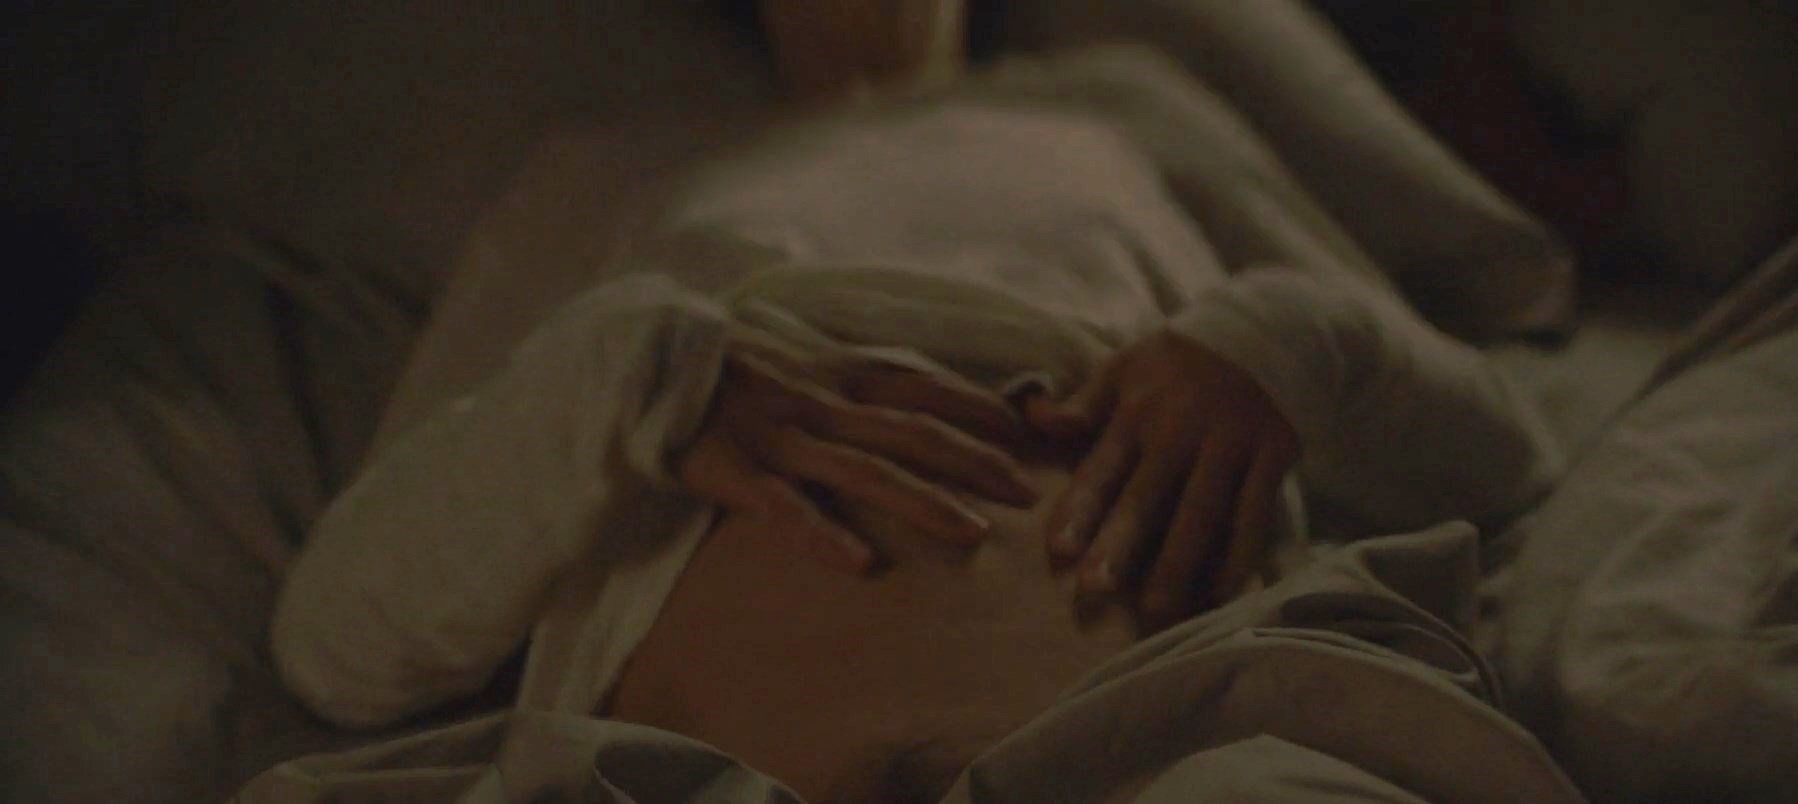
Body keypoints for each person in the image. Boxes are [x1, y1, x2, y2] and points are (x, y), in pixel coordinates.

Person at [250, 33, 1574, 804]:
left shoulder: (1116, 96)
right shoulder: (592, 174)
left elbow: (1500, 447)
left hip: (1196, 724)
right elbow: (343, 643)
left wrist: (1276, 347)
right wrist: (641, 380)